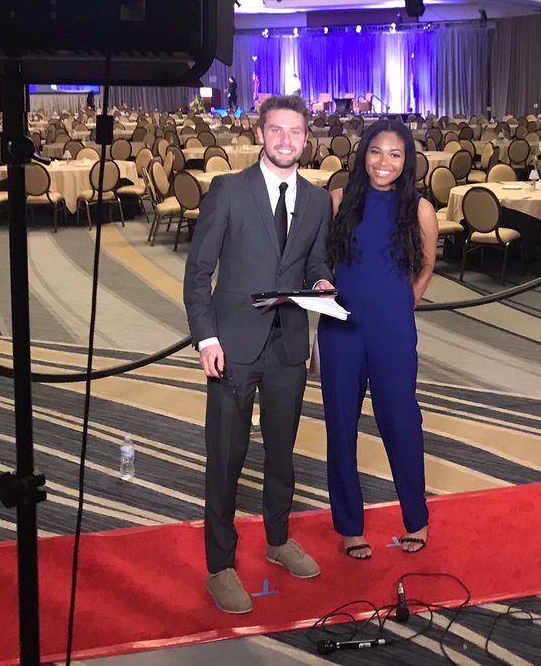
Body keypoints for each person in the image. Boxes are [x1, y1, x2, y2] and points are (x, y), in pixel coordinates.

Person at [183, 94, 336, 614]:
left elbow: (317, 262)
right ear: (261, 133)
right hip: (232, 345)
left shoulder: (317, 202)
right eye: (277, 130)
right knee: (225, 458)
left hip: (289, 343)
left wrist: (321, 283)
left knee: (280, 451)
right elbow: (198, 272)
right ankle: (220, 566)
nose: (287, 140)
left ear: (306, 137)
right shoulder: (228, 191)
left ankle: (276, 539)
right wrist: (206, 338)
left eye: (296, 131)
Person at [317, 119, 438, 559]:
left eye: (395, 154)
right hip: (340, 328)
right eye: (375, 152)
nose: (383, 162)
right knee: (341, 426)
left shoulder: (420, 209)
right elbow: (319, 264)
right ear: (362, 154)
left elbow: (426, 264)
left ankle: (416, 518)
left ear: (407, 162)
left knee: (402, 422)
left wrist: (408, 302)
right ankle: (350, 526)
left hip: (392, 327)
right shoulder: (336, 201)